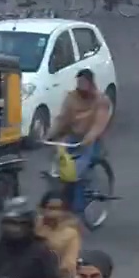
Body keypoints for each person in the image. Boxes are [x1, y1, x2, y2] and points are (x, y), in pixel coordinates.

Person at [47, 69, 113, 214]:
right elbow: (63, 119)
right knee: (59, 164)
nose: (81, 85)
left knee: (77, 172)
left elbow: (99, 124)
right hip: (73, 137)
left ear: (90, 83)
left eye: (84, 82)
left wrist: (89, 137)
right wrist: (50, 135)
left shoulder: (101, 100)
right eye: (79, 82)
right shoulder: (71, 98)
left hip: (92, 140)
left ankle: (78, 209)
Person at [35, 190, 83, 278]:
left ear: (65, 212)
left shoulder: (71, 233)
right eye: (50, 208)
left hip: (56, 277)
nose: (54, 213)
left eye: (58, 209)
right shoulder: (34, 225)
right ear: (42, 209)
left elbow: (69, 264)